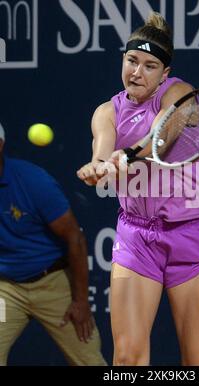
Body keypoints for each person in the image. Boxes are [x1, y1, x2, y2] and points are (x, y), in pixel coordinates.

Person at [77, 12, 199, 366]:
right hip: (137, 237)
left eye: (149, 66)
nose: (137, 72)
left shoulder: (180, 93)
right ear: (122, 60)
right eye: (132, 61)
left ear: (164, 73)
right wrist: (98, 166)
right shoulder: (107, 111)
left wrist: (128, 154)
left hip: (192, 234)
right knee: (128, 360)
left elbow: (163, 135)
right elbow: (102, 150)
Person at [0, 124, 107, 366]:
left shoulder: (33, 182)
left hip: (54, 283)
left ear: (1, 145)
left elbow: (75, 239)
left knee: (88, 361)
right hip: (6, 288)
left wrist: (80, 301)